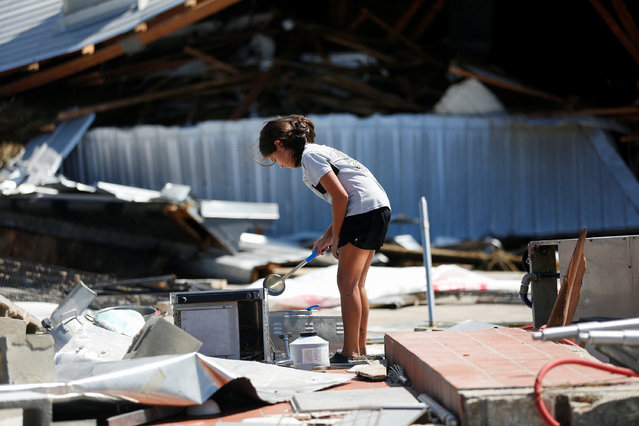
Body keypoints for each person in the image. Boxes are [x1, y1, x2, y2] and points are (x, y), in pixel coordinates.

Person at [258, 114, 391, 363]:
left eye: (275, 159)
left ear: (279, 144)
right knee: (357, 285)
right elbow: (348, 197)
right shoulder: (319, 152)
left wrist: (339, 236)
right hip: (377, 209)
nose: (281, 165)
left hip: (363, 212)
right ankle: (360, 350)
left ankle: (350, 352)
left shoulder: (310, 156)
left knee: (347, 285)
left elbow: (341, 198)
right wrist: (327, 236)